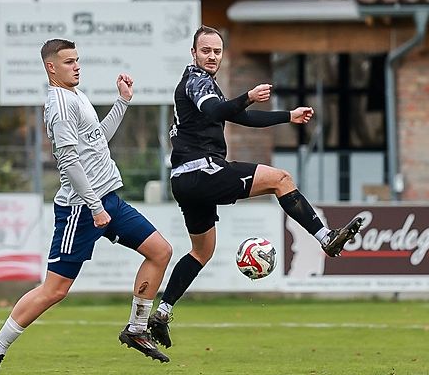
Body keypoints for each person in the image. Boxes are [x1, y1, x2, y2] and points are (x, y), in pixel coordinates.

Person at [147, 25, 364, 349]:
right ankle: (326, 238)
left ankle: (162, 312)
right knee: (281, 180)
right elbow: (216, 110)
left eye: (217, 51)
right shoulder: (196, 80)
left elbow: (241, 118)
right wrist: (248, 96)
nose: (212, 56)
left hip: (184, 179)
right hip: (203, 171)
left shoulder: (204, 83)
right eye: (205, 50)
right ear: (193, 53)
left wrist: (288, 116)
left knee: (202, 251)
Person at [0, 38, 173, 375]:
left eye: (77, 60)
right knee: (54, 290)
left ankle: (136, 328)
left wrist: (122, 102)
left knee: (160, 251)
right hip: (80, 210)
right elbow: (68, 161)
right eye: (69, 62)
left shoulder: (77, 96)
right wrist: (94, 207)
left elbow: (97, 140)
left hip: (108, 200)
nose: (77, 66)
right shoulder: (58, 104)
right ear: (51, 67)